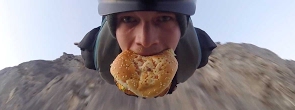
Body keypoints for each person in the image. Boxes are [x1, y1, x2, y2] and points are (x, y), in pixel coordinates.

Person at [75, 0, 217, 96]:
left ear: (182, 28)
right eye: (128, 19)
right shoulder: (95, 55)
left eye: (164, 19)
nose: (145, 41)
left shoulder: (198, 53)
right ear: (113, 30)